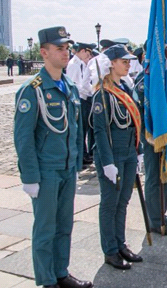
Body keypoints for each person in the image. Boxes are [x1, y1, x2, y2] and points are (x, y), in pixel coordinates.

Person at [14, 26, 92, 288]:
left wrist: (78, 161)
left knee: (64, 226)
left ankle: (61, 273)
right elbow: (23, 138)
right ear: (43, 52)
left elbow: (76, 128)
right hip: (46, 171)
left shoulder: (68, 86)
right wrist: (30, 177)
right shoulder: (32, 90)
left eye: (67, 47)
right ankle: (47, 281)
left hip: (67, 168)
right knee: (45, 230)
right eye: (59, 48)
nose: (65, 52)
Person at [91, 45, 143, 270]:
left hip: (128, 152)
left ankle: (120, 243)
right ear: (111, 63)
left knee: (123, 201)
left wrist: (138, 150)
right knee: (110, 203)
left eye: (129, 61)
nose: (128, 64)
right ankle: (110, 250)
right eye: (124, 61)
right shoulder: (102, 94)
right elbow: (100, 131)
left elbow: (133, 122)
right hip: (112, 154)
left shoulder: (125, 89)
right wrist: (107, 162)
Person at [133, 46, 167, 236]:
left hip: (165, 133)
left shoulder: (164, 78)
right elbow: (140, 115)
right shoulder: (143, 81)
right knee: (154, 178)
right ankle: (154, 219)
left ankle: (161, 214)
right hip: (151, 136)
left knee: (165, 175)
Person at [67, 42, 96, 167]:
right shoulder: (75, 65)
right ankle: (81, 155)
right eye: (87, 54)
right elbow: (74, 85)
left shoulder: (80, 63)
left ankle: (85, 153)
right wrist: (91, 90)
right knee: (81, 129)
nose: (88, 57)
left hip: (85, 98)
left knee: (86, 127)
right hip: (80, 99)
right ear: (82, 51)